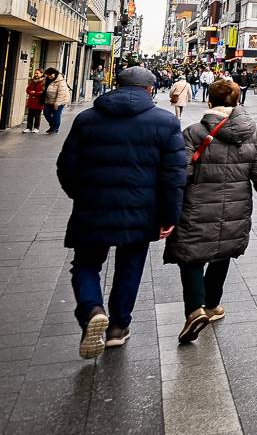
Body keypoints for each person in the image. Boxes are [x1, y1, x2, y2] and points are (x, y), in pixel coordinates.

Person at [56, 66, 186, 358]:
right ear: (150, 90)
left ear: (116, 85)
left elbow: (66, 166)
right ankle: (118, 327)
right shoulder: (165, 122)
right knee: (130, 267)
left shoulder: (87, 119)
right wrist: (170, 215)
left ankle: (92, 309)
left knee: (86, 264)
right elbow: (174, 176)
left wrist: (81, 195)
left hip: (93, 206)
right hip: (141, 210)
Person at [166, 79, 257, 345]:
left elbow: (180, 173)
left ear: (209, 101)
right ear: (238, 102)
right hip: (235, 207)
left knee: (191, 256)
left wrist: (168, 205)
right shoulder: (253, 133)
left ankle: (195, 310)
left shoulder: (193, 132)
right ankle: (211, 305)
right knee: (222, 252)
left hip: (196, 205)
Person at [42, 67, 72, 134]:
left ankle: (55, 129)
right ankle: (52, 126)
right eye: (48, 75)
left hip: (60, 101)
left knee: (56, 114)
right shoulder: (47, 79)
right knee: (46, 113)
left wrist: (57, 103)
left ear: (54, 73)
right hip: (48, 100)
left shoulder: (60, 81)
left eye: (50, 75)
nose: (49, 76)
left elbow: (61, 93)